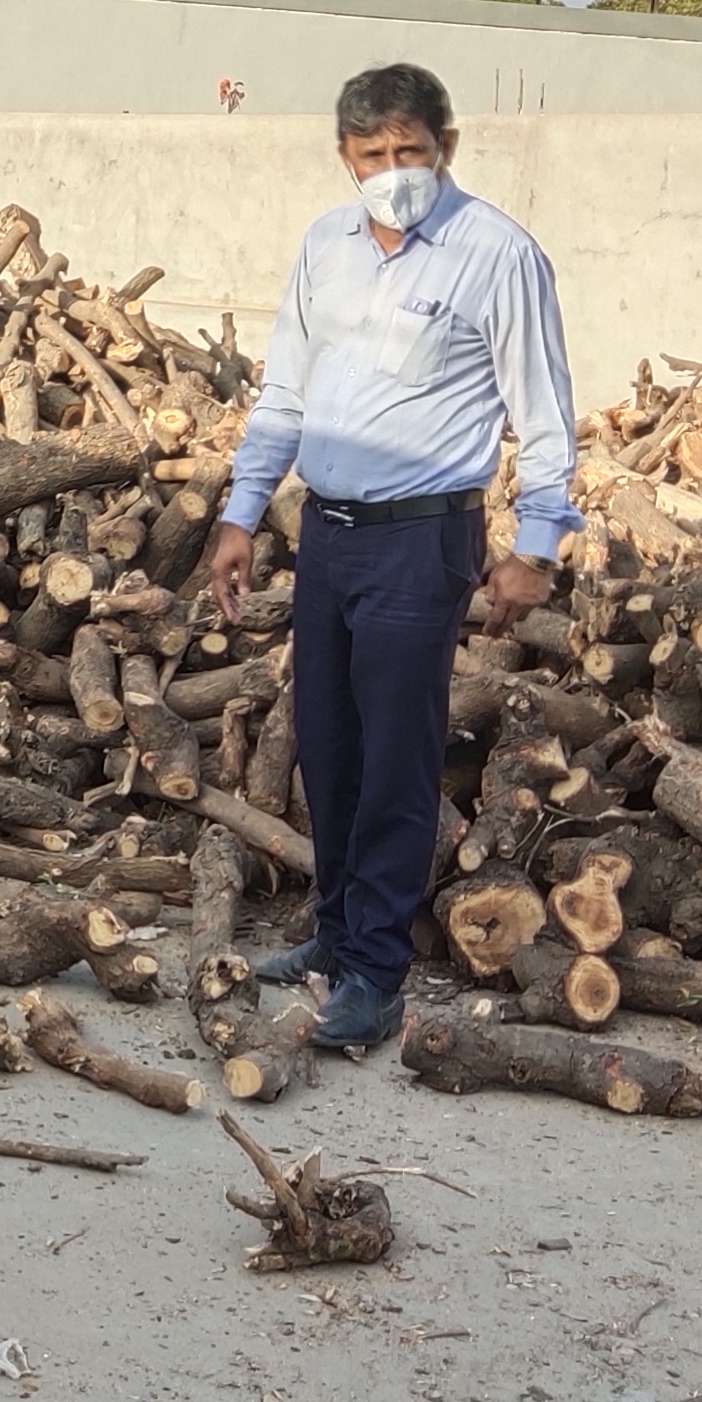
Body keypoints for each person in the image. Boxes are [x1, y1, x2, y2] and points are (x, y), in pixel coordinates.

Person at [204, 62, 578, 1055]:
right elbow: (283, 392)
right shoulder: (325, 246)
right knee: (326, 745)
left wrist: (534, 547)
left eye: (409, 151)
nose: (392, 170)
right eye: (372, 155)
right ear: (345, 156)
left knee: (395, 759)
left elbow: (541, 414)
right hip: (327, 531)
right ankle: (333, 934)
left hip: (424, 537)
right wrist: (242, 515)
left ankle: (374, 975)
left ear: (442, 148)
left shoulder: (497, 256)